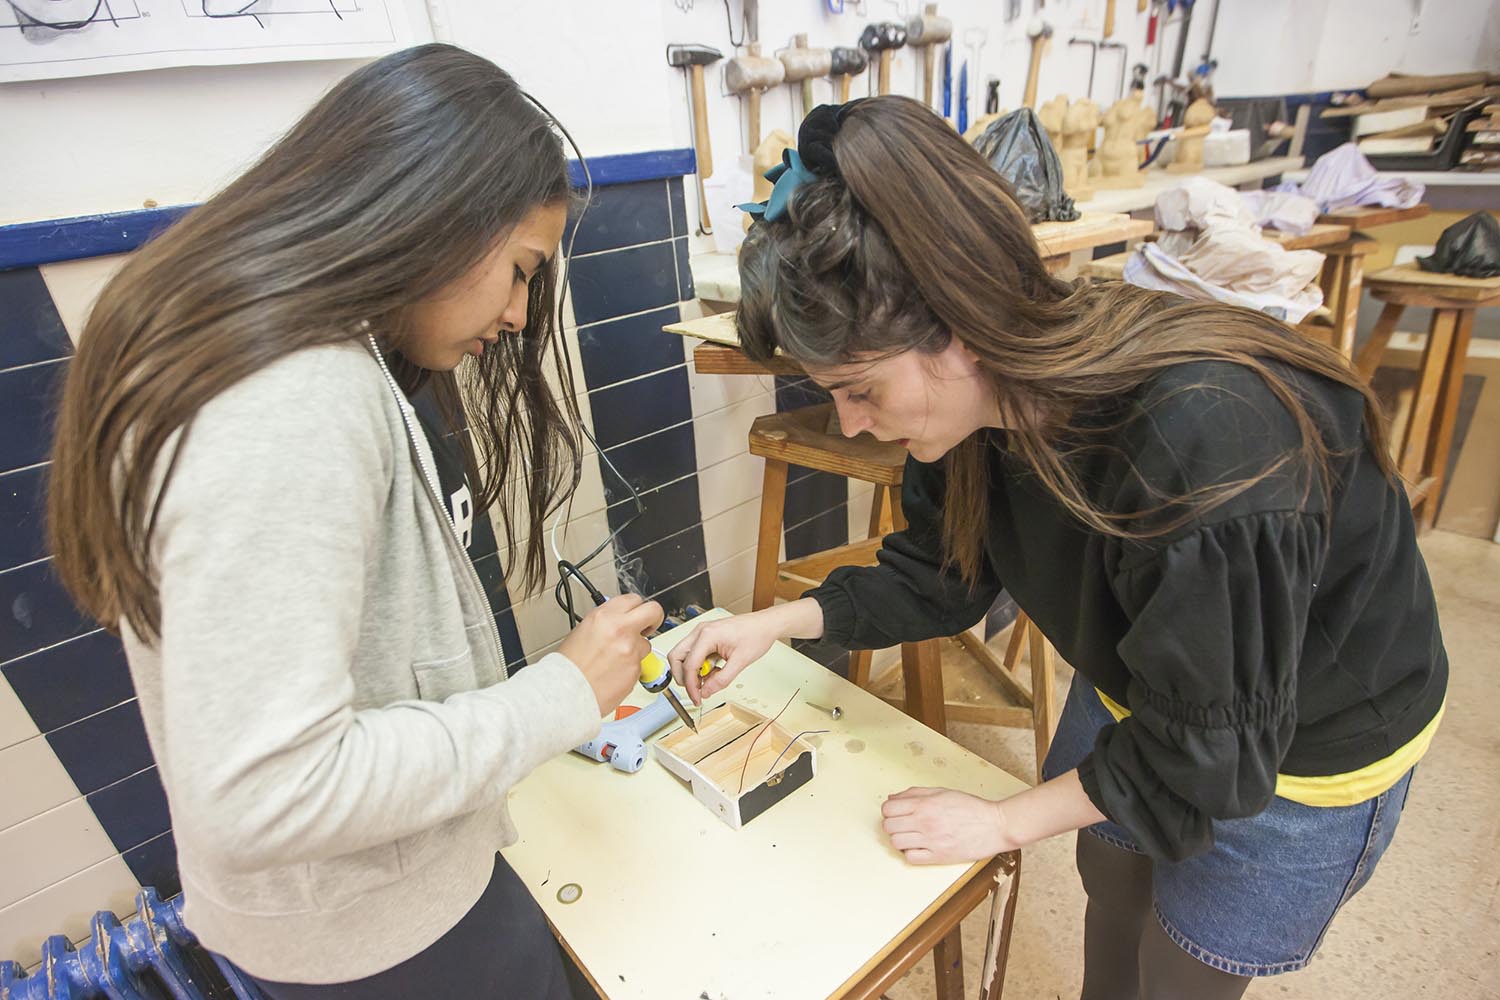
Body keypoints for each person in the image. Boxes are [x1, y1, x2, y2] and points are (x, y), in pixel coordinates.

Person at [667, 98, 1447, 999]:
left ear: (955, 331)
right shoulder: (973, 420)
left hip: (1304, 739)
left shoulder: (1204, 441)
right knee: (1111, 886)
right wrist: (780, 621)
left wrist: (1002, 821)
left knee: (1186, 966)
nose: (852, 426)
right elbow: (943, 575)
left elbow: (1210, 757)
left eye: (860, 391)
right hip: (1155, 687)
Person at [47, 44, 655, 999]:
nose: (516, 313)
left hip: (371, 907)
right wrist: (563, 693)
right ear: (438, 219)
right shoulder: (290, 394)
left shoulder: (288, 353)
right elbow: (267, 791)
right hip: (376, 939)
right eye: (520, 271)